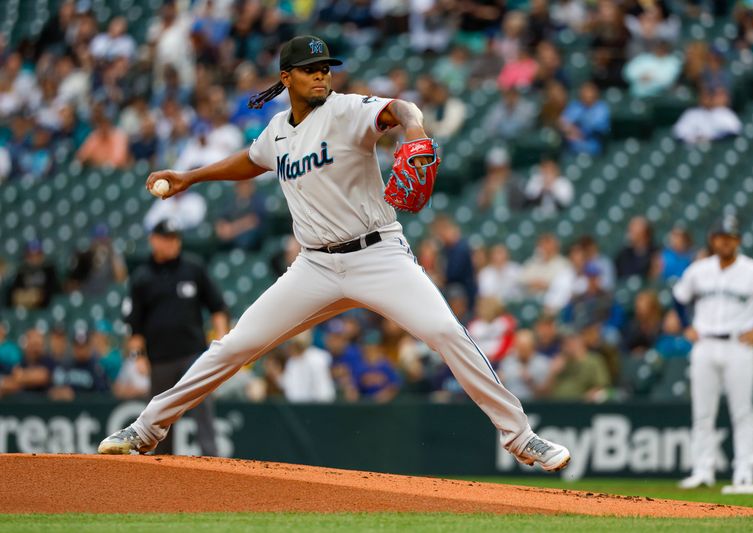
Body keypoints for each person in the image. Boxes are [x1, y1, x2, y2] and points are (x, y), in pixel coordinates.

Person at [98, 35, 570, 472]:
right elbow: (250, 160)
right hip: (315, 266)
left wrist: (415, 128)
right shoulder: (278, 131)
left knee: (446, 331)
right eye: (310, 69)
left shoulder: (346, 110)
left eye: (325, 67)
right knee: (235, 346)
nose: (322, 75)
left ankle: (521, 436)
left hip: (377, 254)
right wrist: (190, 176)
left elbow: (399, 109)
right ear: (287, 79)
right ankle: (147, 428)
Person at [673, 215, 753, 488]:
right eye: (720, 237)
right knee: (702, 412)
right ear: (713, 240)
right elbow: (679, 299)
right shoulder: (699, 270)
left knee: (742, 411)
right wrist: (685, 326)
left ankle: (744, 470)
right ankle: (702, 470)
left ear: (737, 240)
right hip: (705, 343)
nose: (725, 242)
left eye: (730, 237)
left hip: (739, 344)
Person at [121, 219, 229, 456]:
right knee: (160, 418)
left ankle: (213, 464)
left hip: (193, 356)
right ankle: (162, 469)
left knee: (203, 413)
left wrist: (221, 342)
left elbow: (218, 307)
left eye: (175, 238)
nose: (173, 243)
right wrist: (138, 356)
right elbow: (133, 325)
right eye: (167, 238)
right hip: (160, 360)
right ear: (153, 240)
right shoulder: (142, 278)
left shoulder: (193, 268)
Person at [5, 240, 60, 309]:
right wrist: (29, 296)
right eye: (30, 255)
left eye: (37, 254)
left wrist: (38, 295)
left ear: (41, 255)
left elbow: (53, 290)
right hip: (23, 308)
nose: (34, 258)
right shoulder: (22, 270)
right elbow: (14, 294)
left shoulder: (49, 270)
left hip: (45, 309)